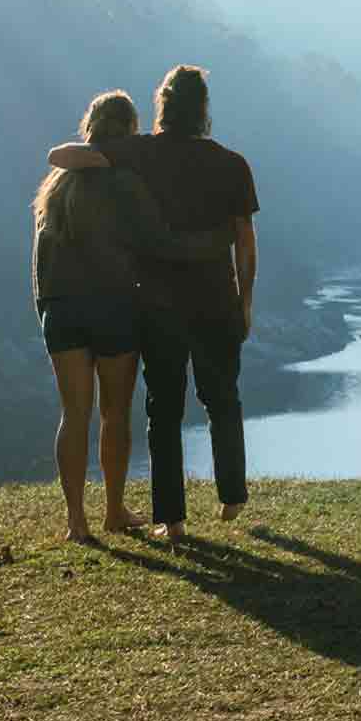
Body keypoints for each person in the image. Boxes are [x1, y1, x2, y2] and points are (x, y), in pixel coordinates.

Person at [32, 90, 232, 543]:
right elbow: (159, 242)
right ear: (127, 132)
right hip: (114, 309)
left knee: (74, 414)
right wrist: (214, 245)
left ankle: (75, 521)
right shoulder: (126, 184)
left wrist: (46, 307)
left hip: (61, 311)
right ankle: (113, 510)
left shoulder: (55, 188)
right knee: (114, 414)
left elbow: (39, 259)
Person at [113, 63, 261, 541]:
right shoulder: (231, 163)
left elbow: (79, 156)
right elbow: (245, 241)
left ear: (162, 105)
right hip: (216, 296)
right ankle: (232, 494)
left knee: (164, 408)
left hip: (158, 303)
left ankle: (171, 519)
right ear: (204, 109)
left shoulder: (141, 153)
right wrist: (245, 300)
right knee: (223, 397)